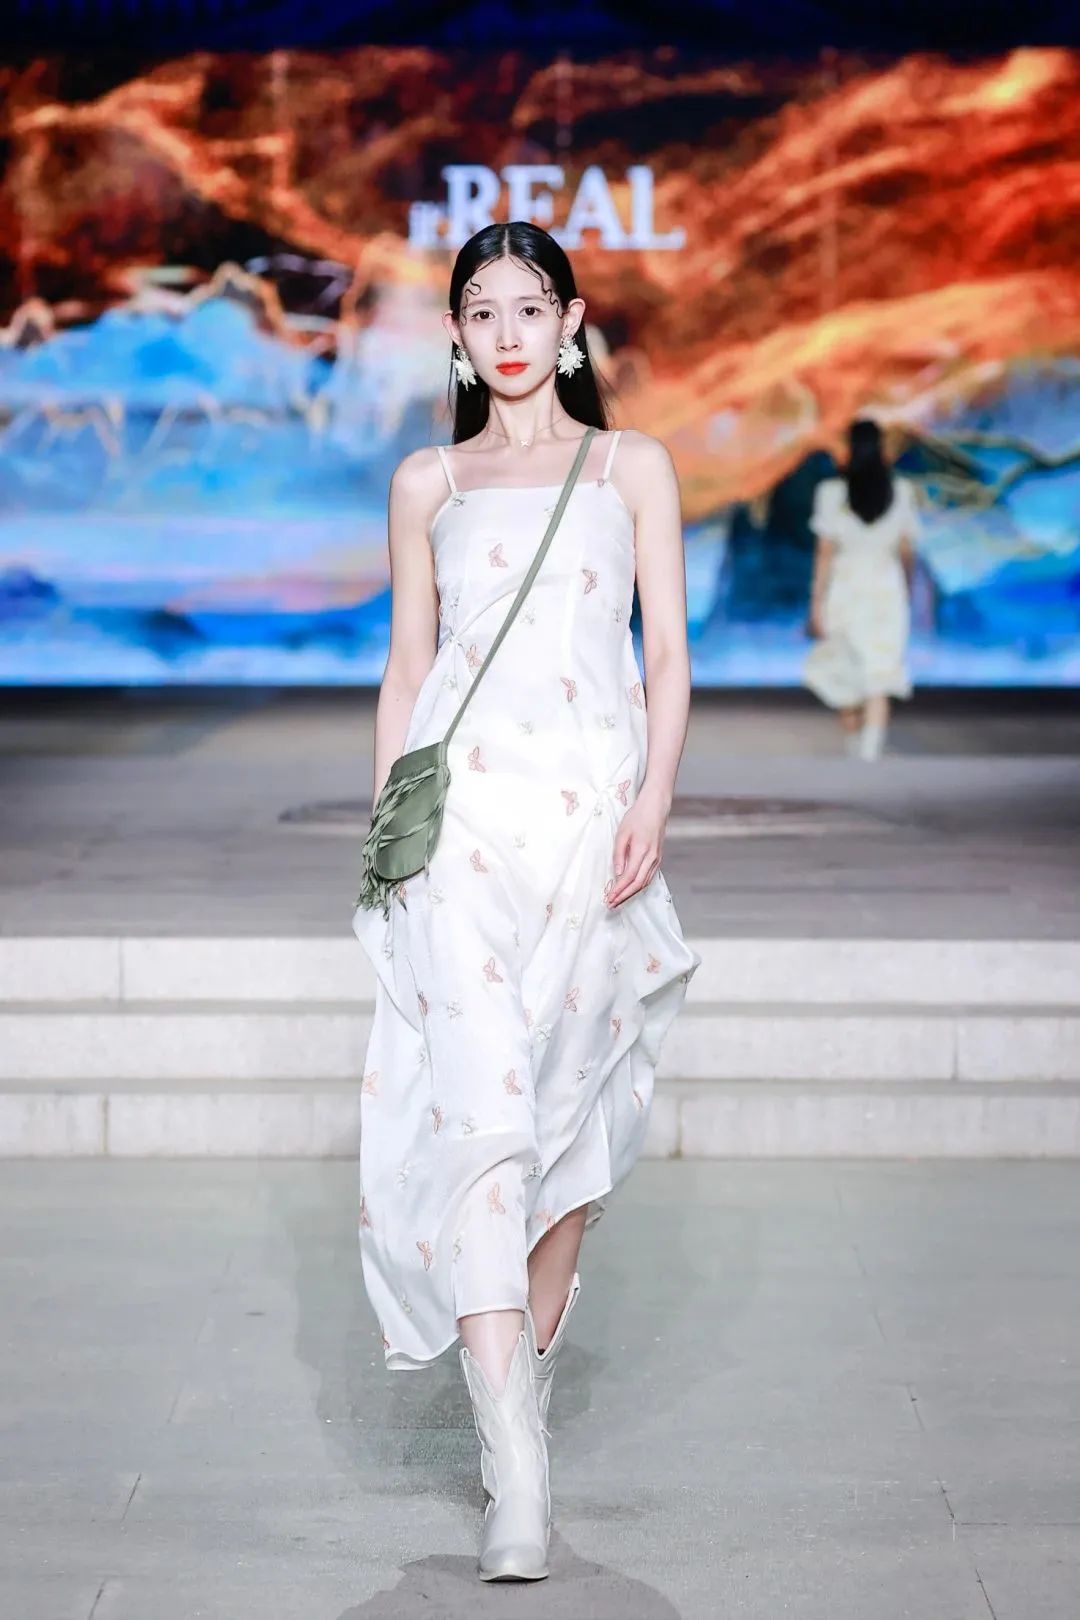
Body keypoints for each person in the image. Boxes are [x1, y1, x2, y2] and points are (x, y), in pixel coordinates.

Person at [351, 220, 700, 1582]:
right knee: (484, 1125)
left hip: (592, 831)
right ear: (455, 334)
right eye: (482, 309)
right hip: (464, 842)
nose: (507, 331)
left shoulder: (629, 468)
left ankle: (523, 1386)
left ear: (571, 323)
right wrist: (392, 840)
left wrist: (654, 797)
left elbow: (664, 656)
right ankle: (514, 1464)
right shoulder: (427, 481)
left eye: (530, 306)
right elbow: (407, 669)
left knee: (571, 1125)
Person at [803, 418, 920, 760]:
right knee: (879, 671)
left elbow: (824, 554)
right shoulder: (902, 491)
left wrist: (815, 603)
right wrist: (908, 590)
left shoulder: (831, 493)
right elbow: (906, 552)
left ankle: (859, 747)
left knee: (846, 671)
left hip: (846, 589)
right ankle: (869, 751)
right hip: (886, 588)